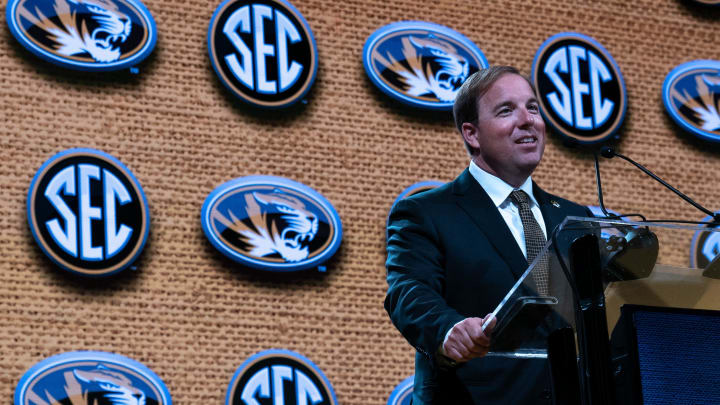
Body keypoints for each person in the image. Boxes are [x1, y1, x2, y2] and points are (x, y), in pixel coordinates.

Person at [385, 66, 591, 404]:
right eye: (507, 110)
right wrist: (448, 329)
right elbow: (409, 292)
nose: (528, 120)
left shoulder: (575, 218)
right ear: (472, 134)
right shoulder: (428, 213)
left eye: (533, 107)